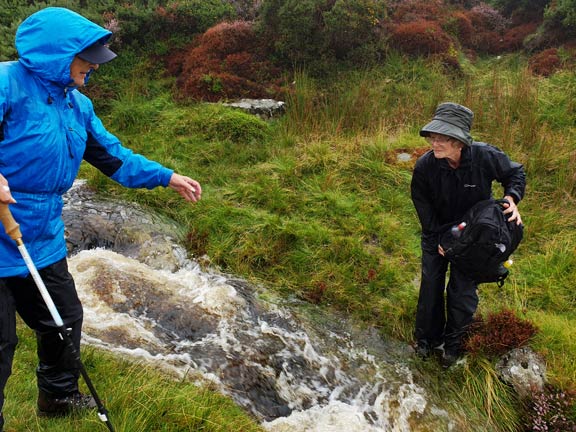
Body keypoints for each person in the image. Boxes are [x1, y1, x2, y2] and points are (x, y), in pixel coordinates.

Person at [0, 7, 202, 428]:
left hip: (42, 237)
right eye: (86, 59)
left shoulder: (78, 106)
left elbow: (114, 157)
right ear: (56, 55)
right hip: (1, 229)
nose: (93, 67)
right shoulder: (6, 84)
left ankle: (57, 399)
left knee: (64, 320)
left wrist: (167, 177)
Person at [410, 102, 525, 368]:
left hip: (475, 236)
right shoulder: (425, 167)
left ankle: (454, 347)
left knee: (461, 291)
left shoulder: (485, 156)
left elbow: (515, 172)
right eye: (433, 137)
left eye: (442, 139)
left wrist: (511, 197)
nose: (434, 143)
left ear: (460, 143)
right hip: (436, 232)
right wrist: (443, 239)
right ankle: (427, 341)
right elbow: (422, 205)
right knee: (431, 285)